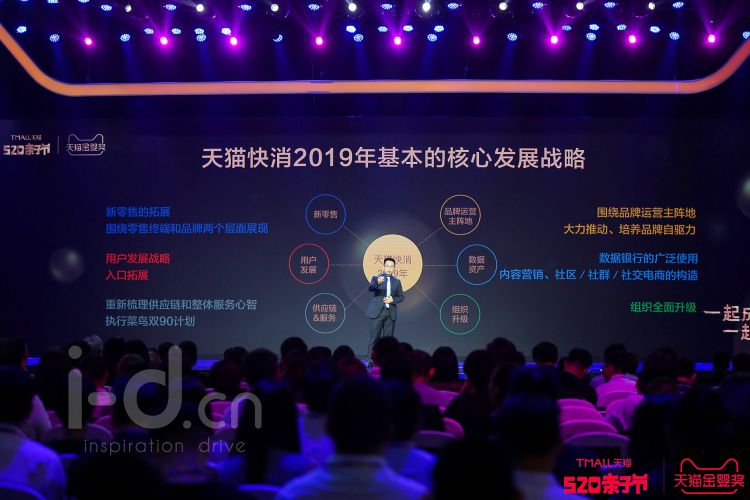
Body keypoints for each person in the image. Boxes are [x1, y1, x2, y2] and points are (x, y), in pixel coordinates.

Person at [366, 257, 405, 355]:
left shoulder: (397, 281)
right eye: (387, 266)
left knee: (388, 341)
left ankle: (387, 359)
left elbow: (401, 296)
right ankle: (371, 359)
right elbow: (370, 288)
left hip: (390, 313)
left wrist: (393, 300)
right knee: (374, 338)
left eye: (391, 266)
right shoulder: (376, 278)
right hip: (377, 312)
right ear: (383, 266)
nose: (389, 268)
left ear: (394, 268)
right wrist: (377, 282)